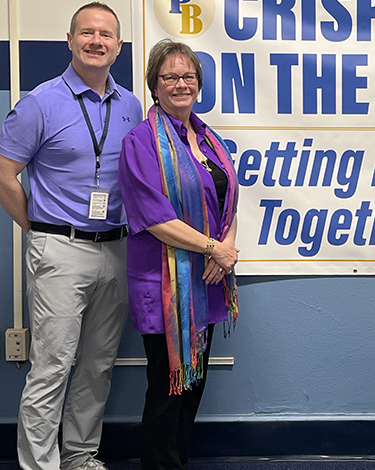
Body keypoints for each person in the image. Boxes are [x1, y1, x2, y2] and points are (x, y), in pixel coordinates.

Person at [0, 2, 142, 470]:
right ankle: (40, 465)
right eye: (87, 33)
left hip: (116, 248)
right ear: (69, 41)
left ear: (118, 46)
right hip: (59, 250)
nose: (96, 41)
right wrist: (39, 229)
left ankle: (79, 455)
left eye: (106, 35)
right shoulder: (41, 102)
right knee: (52, 366)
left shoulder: (132, 105)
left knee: (97, 365)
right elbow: (0, 175)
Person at [118, 39, 240, 470]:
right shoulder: (141, 142)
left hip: (206, 280)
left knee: (194, 385)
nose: (181, 84)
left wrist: (221, 250)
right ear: (154, 85)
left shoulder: (208, 139)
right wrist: (213, 248)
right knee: (169, 388)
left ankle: (178, 462)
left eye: (188, 76)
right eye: (170, 77)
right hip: (165, 284)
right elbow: (153, 217)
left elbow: (228, 204)